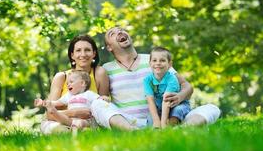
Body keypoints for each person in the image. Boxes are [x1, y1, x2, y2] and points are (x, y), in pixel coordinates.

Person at [90, 27, 221, 130]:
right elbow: (105, 100)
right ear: (109, 47)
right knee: (97, 104)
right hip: (130, 121)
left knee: (211, 108)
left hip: (164, 119)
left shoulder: (155, 59)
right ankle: (132, 132)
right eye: (112, 33)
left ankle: (179, 130)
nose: (120, 32)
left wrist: (180, 97)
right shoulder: (106, 69)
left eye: (122, 30)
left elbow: (186, 86)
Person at [40, 35, 110, 134]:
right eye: (78, 50)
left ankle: (78, 132)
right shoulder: (61, 77)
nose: (83, 54)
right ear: (72, 55)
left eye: (87, 50)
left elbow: (104, 108)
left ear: (94, 53)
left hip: (88, 122)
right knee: (58, 129)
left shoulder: (99, 73)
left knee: (86, 129)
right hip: (60, 121)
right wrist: (76, 112)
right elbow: (49, 114)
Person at [35, 70, 109, 130]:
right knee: (64, 119)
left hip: (86, 119)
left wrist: (104, 98)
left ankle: (76, 127)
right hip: (71, 119)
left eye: (71, 82)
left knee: (81, 123)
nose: (68, 85)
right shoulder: (69, 96)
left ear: (82, 83)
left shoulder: (88, 94)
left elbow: (99, 99)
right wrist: (44, 103)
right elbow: (57, 103)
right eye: (67, 83)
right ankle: (54, 112)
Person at [144, 47, 191, 129]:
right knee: (151, 118)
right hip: (160, 108)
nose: (158, 63)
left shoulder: (172, 79)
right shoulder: (147, 80)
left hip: (175, 105)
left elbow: (166, 101)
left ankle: (169, 128)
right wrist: (156, 121)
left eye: (162, 60)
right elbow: (150, 101)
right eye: (154, 60)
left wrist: (163, 124)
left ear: (169, 64)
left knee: (177, 111)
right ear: (150, 63)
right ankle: (157, 130)